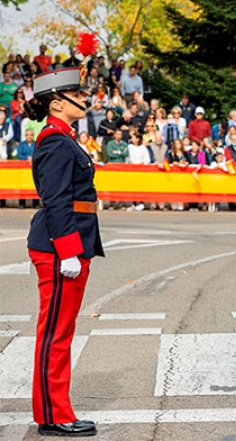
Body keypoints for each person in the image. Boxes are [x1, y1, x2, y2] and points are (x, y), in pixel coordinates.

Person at [23, 62, 103, 437]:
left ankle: (55, 410)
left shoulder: (63, 137)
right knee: (55, 333)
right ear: (57, 103)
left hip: (67, 246)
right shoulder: (55, 141)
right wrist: (68, 250)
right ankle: (53, 414)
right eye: (77, 94)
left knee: (61, 331)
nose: (83, 98)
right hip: (59, 249)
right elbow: (56, 200)